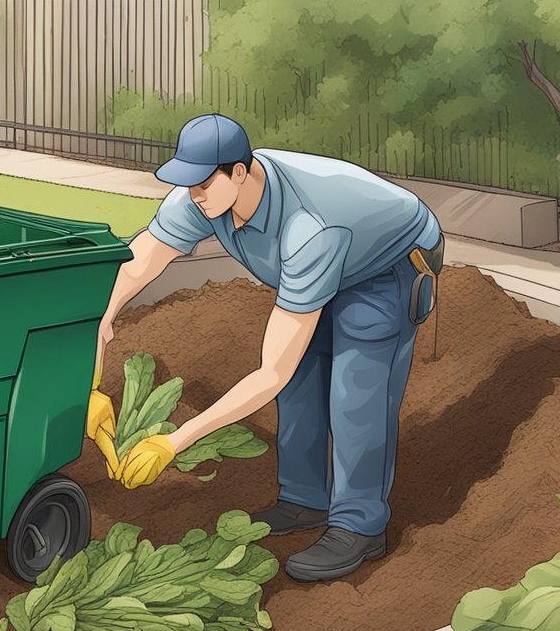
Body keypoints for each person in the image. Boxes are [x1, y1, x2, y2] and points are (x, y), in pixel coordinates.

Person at [85, 113, 444, 583]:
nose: (194, 195)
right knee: (300, 381)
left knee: (355, 391)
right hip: (326, 262)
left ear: (239, 171)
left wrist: (173, 443)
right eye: (188, 183)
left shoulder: (308, 230)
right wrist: (99, 327)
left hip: (385, 265)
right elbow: (138, 265)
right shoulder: (204, 194)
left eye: (202, 184)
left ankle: (359, 527)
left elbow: (268, 372)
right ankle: (303, 501)